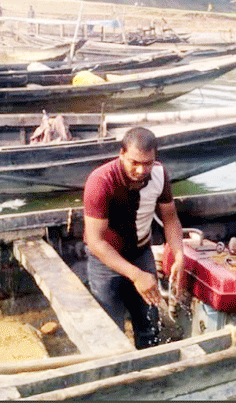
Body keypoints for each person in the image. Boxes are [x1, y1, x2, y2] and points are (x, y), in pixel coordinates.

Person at [83, 127, 184, 349]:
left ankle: (150, 361)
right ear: (121, 154)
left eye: (148, 163)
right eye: (134, 162)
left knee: (150, 323)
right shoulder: (100, 181)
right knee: (110, 331)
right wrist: (137, 275)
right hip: (105, 261)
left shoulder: (159, 174)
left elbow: (170, 218)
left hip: (141, 253)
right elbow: (95, 241)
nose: (141, 170)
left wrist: (179, 254)